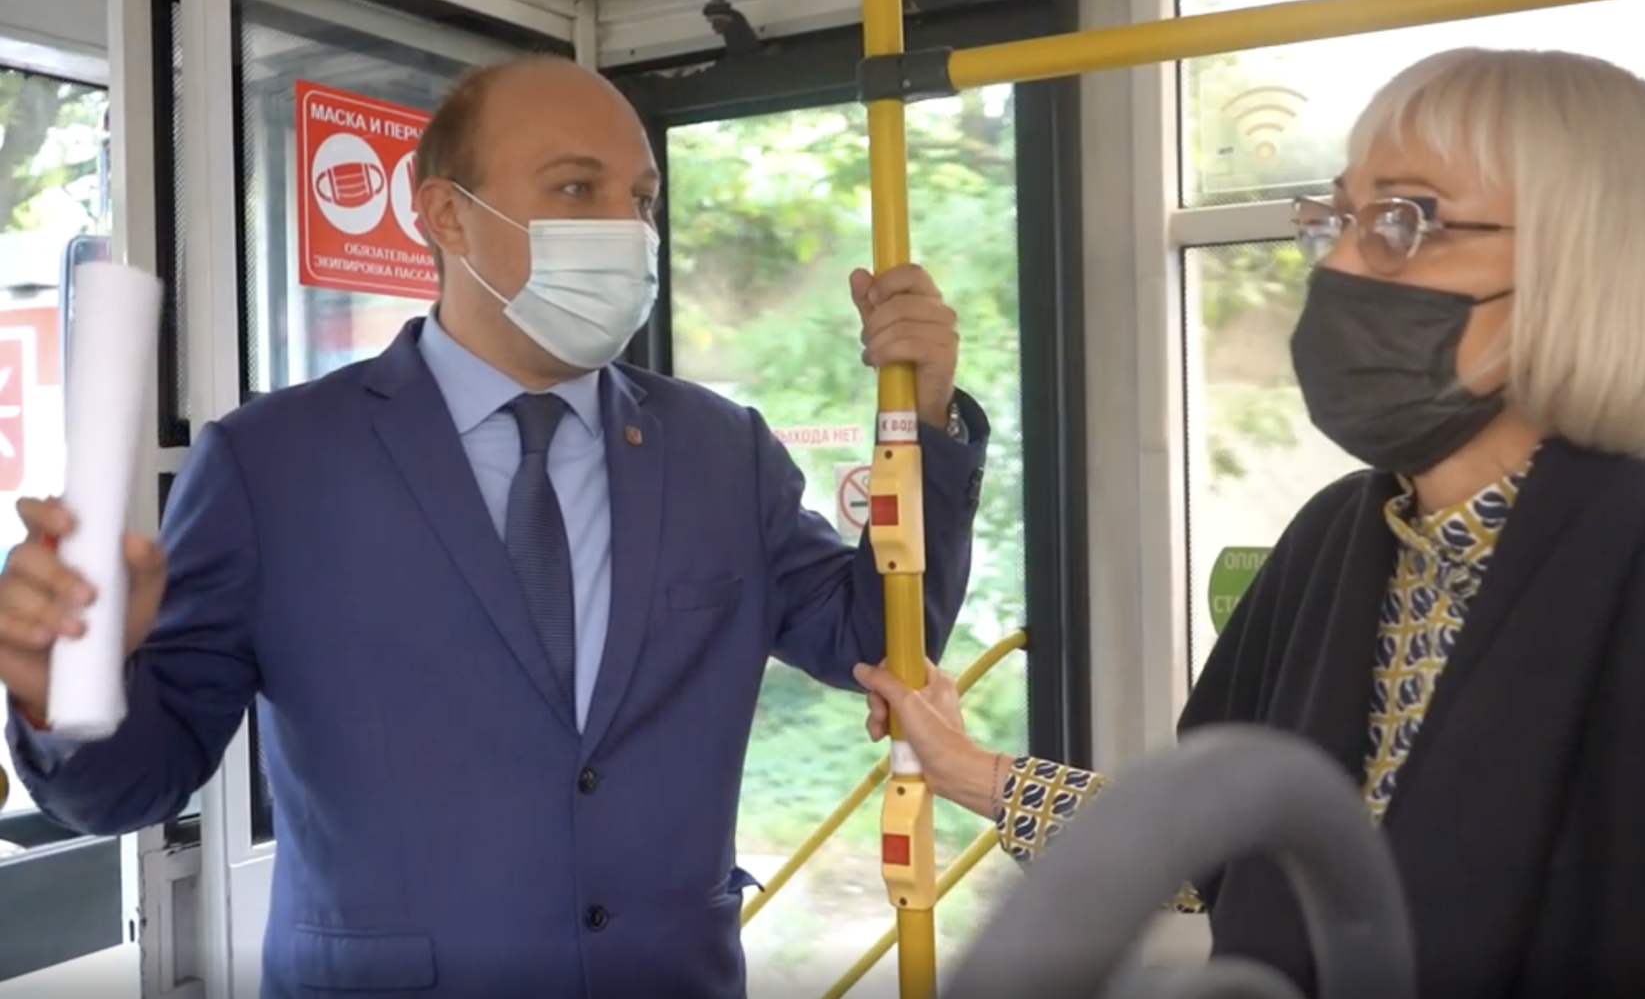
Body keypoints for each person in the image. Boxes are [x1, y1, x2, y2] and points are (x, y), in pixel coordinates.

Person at [0, 55, 990, 999]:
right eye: (576, 188)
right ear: (445, 215)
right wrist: (67, 689)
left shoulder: (718, 449)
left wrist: (926, 415)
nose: (627, 228)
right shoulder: (274, 465)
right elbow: (130, 788)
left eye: (642, 199)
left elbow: (876, 636)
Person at [856, 46, 1645, 999]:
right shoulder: (1334, 544)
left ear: (1585, 266)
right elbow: (1227, 847)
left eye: (1404, 220)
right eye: (1337, 218)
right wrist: (976, 772)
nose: (1339, 262)